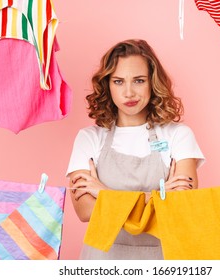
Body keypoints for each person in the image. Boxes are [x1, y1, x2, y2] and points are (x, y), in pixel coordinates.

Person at [66, 39, 205, 259]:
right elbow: (85, 211)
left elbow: (181, 206)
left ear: (152, 82)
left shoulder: (178, 134)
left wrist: (104, 193)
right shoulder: (89, 138)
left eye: (138, 81)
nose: (129, 92)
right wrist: (157, 197)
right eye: (119, 81)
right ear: (107, 85)